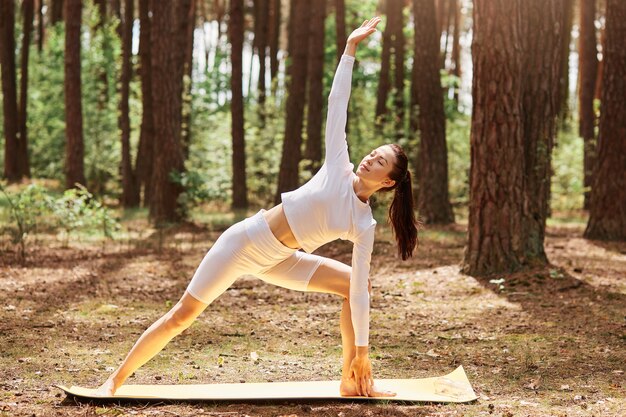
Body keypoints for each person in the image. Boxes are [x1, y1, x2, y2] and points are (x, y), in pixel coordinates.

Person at [96, 16, 420, 398]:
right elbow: (338, 103)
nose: (369, 159)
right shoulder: (338, 163)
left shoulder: (364, 224)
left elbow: (362, 295)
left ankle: (352, 379)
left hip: (281, 259)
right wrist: (349, 49)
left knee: (356, 285)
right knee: (181, 316)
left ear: (388, 182)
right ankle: (115, 380)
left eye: (379, 162)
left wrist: (364, 352)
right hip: (245, 243)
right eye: (372, 153)